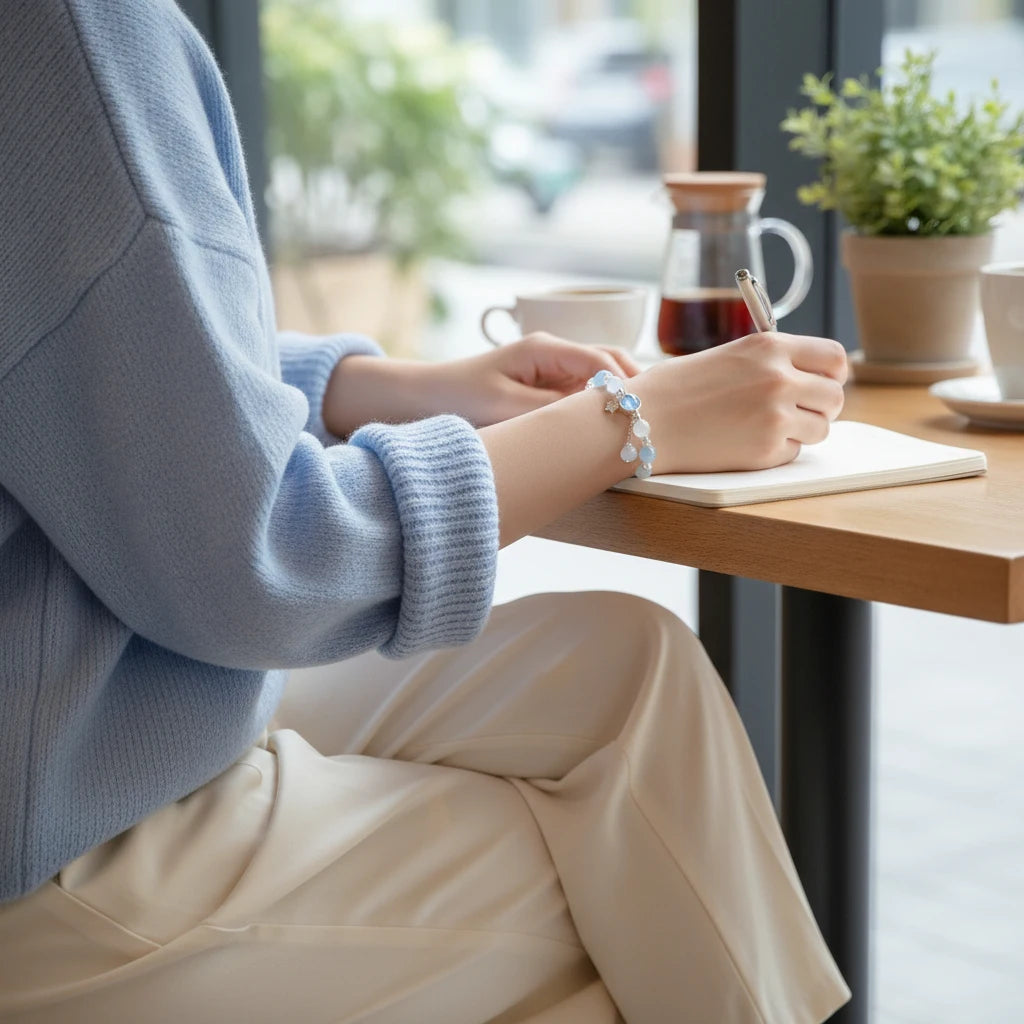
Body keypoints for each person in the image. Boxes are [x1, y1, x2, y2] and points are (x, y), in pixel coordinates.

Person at [0, 1, 851, 1021]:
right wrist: (630, 419)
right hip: (56, 842)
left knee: (625, 665)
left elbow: (103, 358)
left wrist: (385, 386)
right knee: (645, 898)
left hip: (86, 702)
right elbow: (258, 557)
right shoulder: (65, 29)